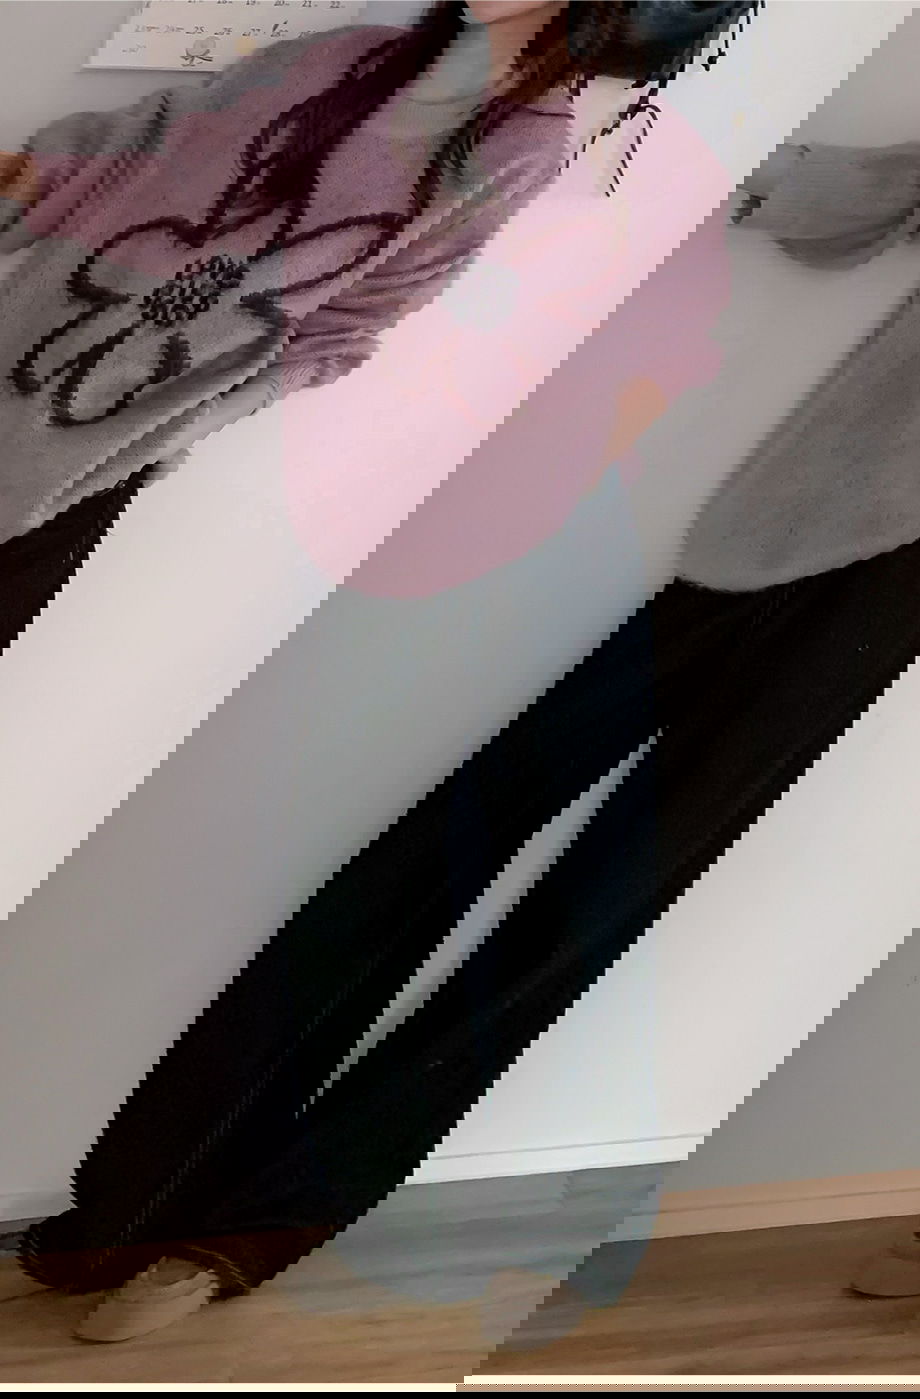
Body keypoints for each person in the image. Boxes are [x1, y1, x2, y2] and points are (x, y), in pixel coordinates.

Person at [0, 0, 757, 1343]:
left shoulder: (513, 144)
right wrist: (43, 186)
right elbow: (137, 148)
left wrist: (192, 391)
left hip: (103, 427)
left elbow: (352, 322)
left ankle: (211, 1228)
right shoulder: (340, 55)